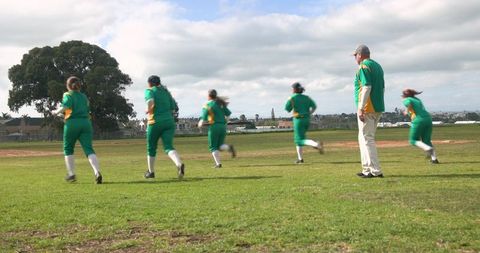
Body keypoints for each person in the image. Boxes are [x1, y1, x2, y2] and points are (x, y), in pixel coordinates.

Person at [54, 76, 102, 184]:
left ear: (68, 86)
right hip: (86, 123)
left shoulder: (67, 95)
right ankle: (97, 172)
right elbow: (87, 109)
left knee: (68, 149)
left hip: (72, 123)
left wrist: (55, 112)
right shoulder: (84, 97)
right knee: (89, 149)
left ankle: (71, 174)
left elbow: (65, 106)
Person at [353, 44, 385, 178]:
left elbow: (366, 87)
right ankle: (367, 169)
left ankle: (375, 170)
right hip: (377, 106)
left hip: (368, 108)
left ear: (360, 55)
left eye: (355, 55)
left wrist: (361, 108)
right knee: (363, 138)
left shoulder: (363, 67)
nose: (355, 58)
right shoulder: (377, 66)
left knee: (367, 139)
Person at [144, 75, 185, 179]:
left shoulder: (150, 90)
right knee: (168, 147)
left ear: (150, 83)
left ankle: (151, 172)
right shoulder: (166, 92)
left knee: (151, 148)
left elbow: (150, 101)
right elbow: (175, 107)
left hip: (155, 122)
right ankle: (179, 164)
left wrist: (148, 109)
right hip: (169, 122)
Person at [285, 82, 324, 164]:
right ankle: (300, 159)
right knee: (298, 139)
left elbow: (287, 109)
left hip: (298, 120)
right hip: (307, 119)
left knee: (299, 140)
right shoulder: (307, 98)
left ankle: (316, 144)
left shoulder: (292, 98)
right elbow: (314, 106)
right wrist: (309, 113)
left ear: (295, 89)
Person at [197, 89, 236, 168]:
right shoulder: (220, 104)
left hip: (214, 127)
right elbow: (228, 114)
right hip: (222, 127)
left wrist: (200, 124)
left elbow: (203, 117)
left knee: (213, 147)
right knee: (219, 146)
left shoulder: (208, 104)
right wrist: (225, 122)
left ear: (209, 96)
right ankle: (229, 147)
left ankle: (218, 164)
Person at [401, 89, 439, 163]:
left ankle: (427, 149)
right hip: (428, 119)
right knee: (427, 140)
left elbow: (408, 103)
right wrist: (408, 111)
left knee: (413, 140)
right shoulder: (417, 99)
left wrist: (406, 111)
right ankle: (434, 159)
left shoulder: (406, 99)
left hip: (418, 120)